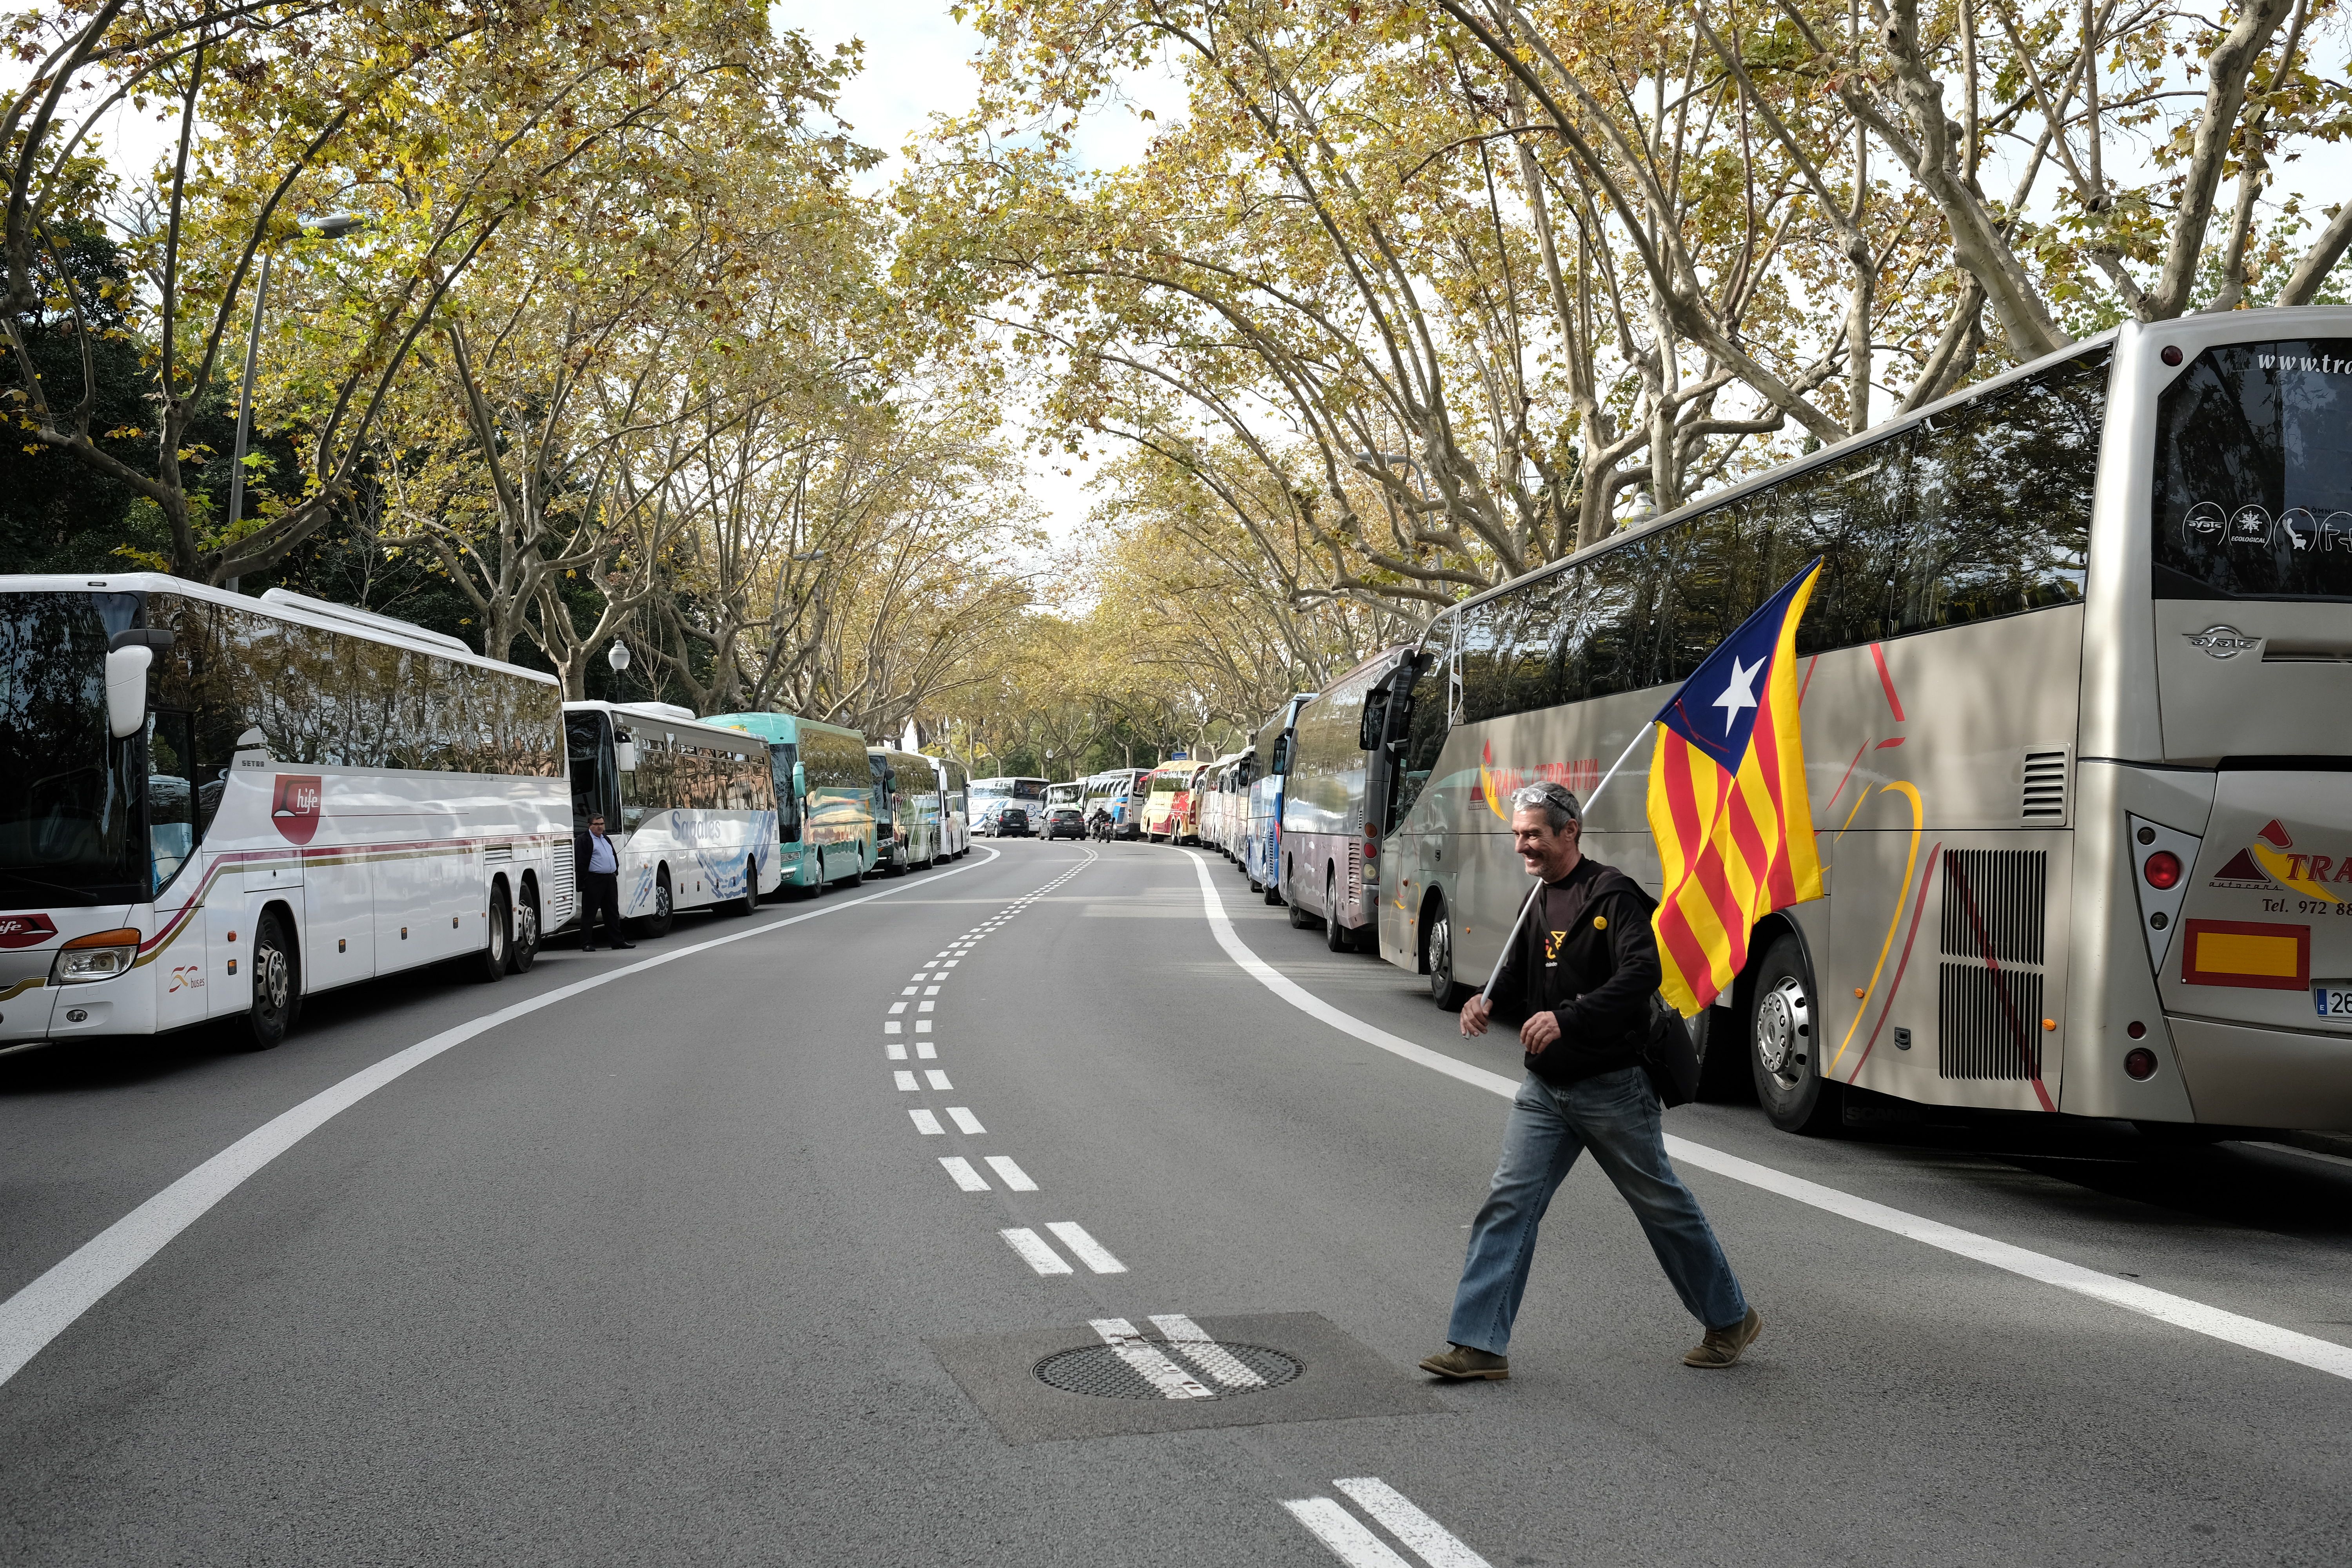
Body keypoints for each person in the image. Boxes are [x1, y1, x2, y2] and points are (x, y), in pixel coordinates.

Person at [1420, 780, 1759, 1381]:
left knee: (1661, 1205)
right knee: (1509, 1203)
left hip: (1613, 1087)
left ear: (1570, 832)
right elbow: (1524, 978)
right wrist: (1484, 1002)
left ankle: (1730, 1319)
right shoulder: (1538, 900)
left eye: (1534, 836)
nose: (1524, 847)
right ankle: (1479, 1345)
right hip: (1546, 1092)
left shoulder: (1614, 895)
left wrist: (1568, 1017)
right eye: (1518, 836)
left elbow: (1640, 974)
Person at [574, 813, 634, 952]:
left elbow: (612, 855)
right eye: (597, 824)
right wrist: (583, 882)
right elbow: (581, 862)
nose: (600, 826)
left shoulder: (605, 838)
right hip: (594, 880)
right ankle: (586, 943)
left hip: (609, 879)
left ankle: (618, 941)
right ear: (590, 826)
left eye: (602, 824)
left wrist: (615, 871)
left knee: (612, 912)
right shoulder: (584, 840)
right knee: (590, 913)